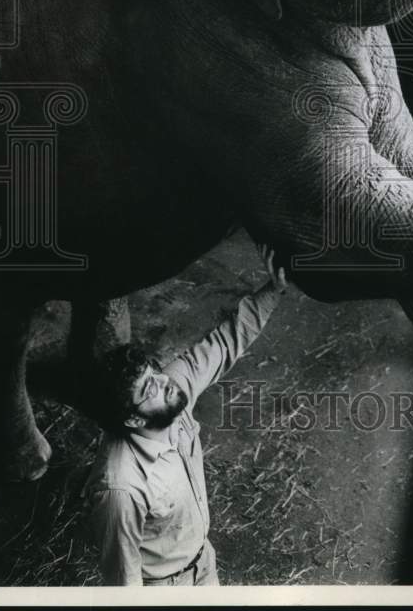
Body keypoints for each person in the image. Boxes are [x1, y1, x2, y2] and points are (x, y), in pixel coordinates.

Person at [85, 244, 286, 586]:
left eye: (154, 372)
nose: (163, 382)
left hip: (203, 563)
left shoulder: (171, 392)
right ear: (133, 420)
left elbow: (224, 343)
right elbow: (123, 580)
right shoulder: (121, 488)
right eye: (148, 390)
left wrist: (274, 288)